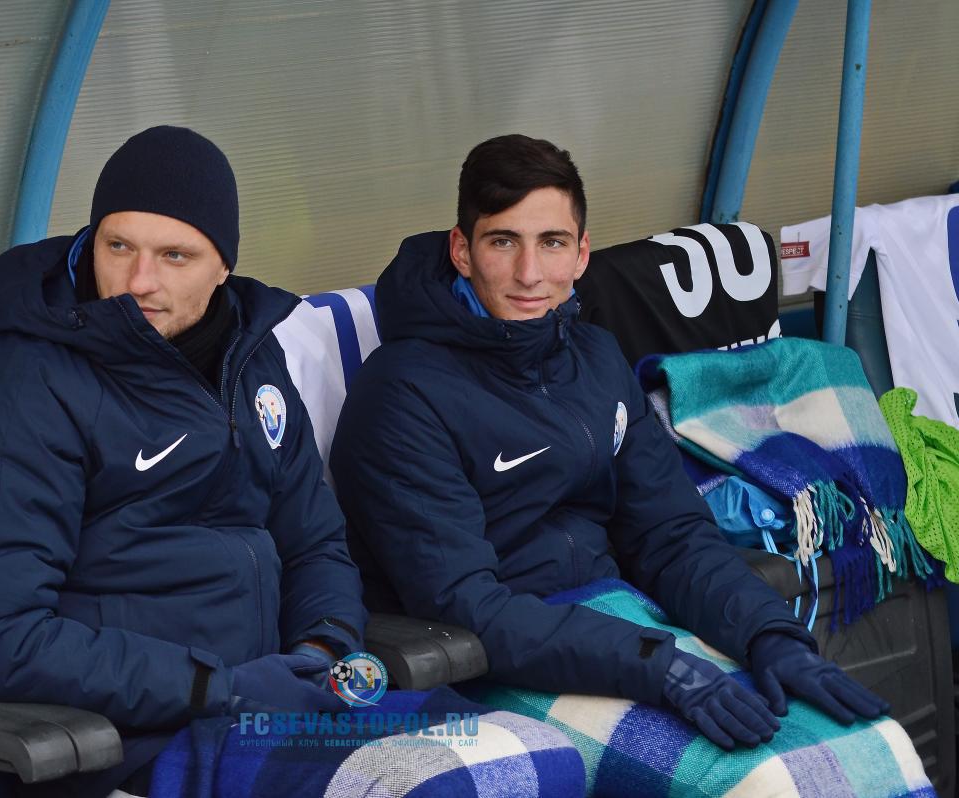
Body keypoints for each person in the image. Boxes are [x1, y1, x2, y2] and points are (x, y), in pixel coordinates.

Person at [0, 127, 583, 798]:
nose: (138, 281)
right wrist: (223, 688)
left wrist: (323, 648)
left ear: (223, 266)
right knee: (445, 786)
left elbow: (315, 543)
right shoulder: (26, 387)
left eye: (176, 255)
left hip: (280, 701)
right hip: (142, 737)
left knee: (541, 759)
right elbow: (4, 638)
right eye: (118, 246)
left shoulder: (247, 358)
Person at [329, 135, 926, 794]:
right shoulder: (401, 393)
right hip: (494, 668)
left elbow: (671, 535)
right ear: (462, 250)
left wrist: (769, 634)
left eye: (552, 243)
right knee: (768, 780)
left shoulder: (595, 358)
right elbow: (467, 605)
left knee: (880, 751)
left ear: (582, 254)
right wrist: (658, 666)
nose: (530, 273)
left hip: (624, 625)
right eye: (503, 242)